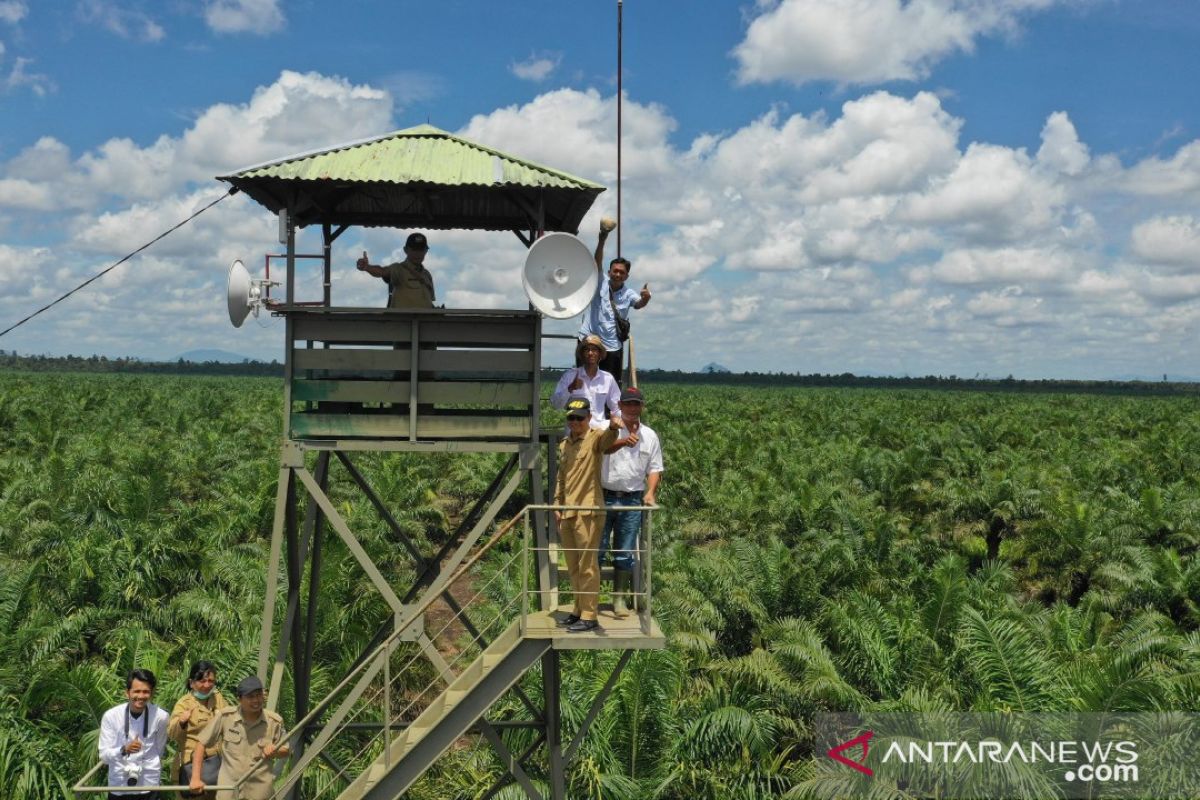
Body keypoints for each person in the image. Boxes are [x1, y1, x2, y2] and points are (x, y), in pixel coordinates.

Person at [554, 397, 623, 633]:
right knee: (573, 565)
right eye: (571, 418)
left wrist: (614, 426)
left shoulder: (594, 438)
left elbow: (607, 440)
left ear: (589, 418)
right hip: (568, 512)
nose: (575, 422)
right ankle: (577, 610)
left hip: (588, 511)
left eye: (579, 418)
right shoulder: (564, 444)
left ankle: (590, 615)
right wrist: (556, 504)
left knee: (587, 566)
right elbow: (561, 477)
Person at [599, 386, 664, 617]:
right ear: (620, 406)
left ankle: (619, 600)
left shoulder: (650, 436)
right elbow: (600, 450)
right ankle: (589, 600)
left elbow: (655, 468)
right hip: (603, 497)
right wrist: (624, 441)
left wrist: (650, 492)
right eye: (628, 403)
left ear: (641, 406)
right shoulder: (606, 429)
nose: (632, 408)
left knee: (625, 552)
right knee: (597, 549)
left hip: (632, 500)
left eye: (636, 403)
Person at [577, 218, 651, 386]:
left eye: (622, 272)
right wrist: (602, 239)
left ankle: (610, 413)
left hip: (611, 346)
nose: (618, 274)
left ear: (627, 276)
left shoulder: (628, 293)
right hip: (589, 339)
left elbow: (638, 304)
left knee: (609, 385)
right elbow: (597, 261)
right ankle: (582, 412)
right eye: (615, 271)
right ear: (609, 272)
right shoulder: (600, 281)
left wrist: (646, 298)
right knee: (582, 383)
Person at [189, 676, 289, 800]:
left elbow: (286, 750)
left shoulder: (274, 722)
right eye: (250, 697)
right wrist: (195, 778)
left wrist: (275, 750)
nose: (256, 700)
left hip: (259, 793)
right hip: (229, 791)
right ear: (239, 699)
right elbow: (201, 743)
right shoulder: (226, 717)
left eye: (258, 695)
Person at [98, 668, 170, 799]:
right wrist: (124, 750)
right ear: (127, 692)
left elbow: (159, 750)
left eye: (146, 692)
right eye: (136, 691)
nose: (141, 696)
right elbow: (104, 756)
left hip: (148, 782)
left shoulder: (161, 717)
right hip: (119, 784)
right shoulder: (111, 716)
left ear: (152, 693)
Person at [168, 660, 228, 799]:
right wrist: (181, 722)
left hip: (216, 766)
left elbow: (230, 720)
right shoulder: (184, 703)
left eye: (210, 681)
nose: (207, 685)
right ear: (191, 683)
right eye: (202, 681)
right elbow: (171, 734)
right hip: (190, 768)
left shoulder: (217, 698)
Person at [550, 334, 620, 430]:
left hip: (598, 432)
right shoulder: (570, 376)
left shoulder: (608, 379)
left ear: (600, 354)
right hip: (575, 433)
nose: (590, 353)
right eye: (587, 349)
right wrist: (570, 388)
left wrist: (618, 420)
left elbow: (617, 407)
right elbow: (556, 404)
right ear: (582, 354)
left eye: (594, 350)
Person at [356, 231, 435, 309]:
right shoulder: (398, 269)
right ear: (405, 250)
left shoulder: (427, 275)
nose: (418, 253)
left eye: (421, 250)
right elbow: (382, 271)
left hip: (426, 321)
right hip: (402, 321)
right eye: (414, 249)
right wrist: (367, 267)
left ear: (426, 251)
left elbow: (430, 301)